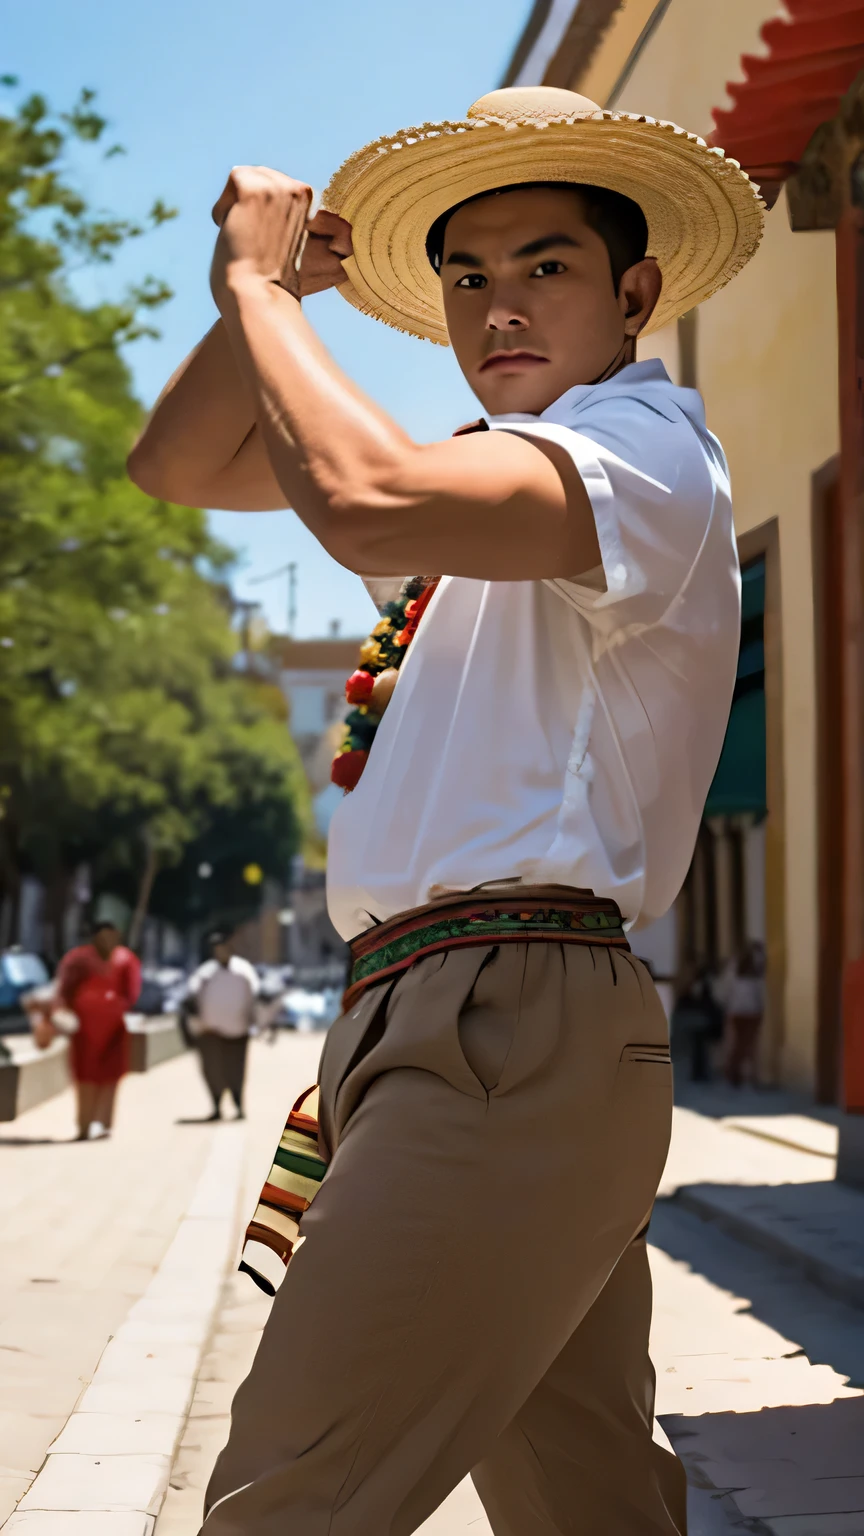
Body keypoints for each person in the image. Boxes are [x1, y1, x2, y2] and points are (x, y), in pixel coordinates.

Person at [129, 85, 762, 1536]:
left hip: (508, 1019)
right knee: (587, 1501)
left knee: (290, 1498)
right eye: (466, 276)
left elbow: (360, 492)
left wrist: (250, 281)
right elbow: (181, 467)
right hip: (450, 1020)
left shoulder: (645, 454)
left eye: (548, 264)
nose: (499, 305)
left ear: (637, 291)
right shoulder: (480, 516)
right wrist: (268, 311)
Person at [54, 920, 141, 1140]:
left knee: (110, 1078)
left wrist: (118, 1005)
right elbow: (65, 989)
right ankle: (83, 1125)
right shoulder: (78, 960)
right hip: (84, 1031)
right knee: (85, 1078)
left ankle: (104, 1123)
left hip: (114, 1031)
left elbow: (131, 991)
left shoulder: (125, 959)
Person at [185, 931, 258, 1120]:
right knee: (213, 1071)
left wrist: (255, 1023)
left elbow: (254, 998)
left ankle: (239, 1105)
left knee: (236, 1071)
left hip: (238, 1031)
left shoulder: (244, 971)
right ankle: (216, 1106)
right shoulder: (205, 973)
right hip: (210, 1032)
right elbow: (191, 998)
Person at [722, 940, 766, 1088]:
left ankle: (736, 1074)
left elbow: (727, 989)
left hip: (737, 1010)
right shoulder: (757, 969)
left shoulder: (735, 968)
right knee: (749, 1045)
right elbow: (761, 990)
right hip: (752, 1010)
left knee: (737, 1044)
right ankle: (746, 1076)